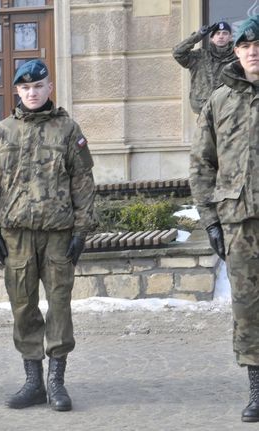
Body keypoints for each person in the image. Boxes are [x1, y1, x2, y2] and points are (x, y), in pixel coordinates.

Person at [0, 59, 97, 411]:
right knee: (23, 307)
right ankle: (33, 381)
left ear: (50, 88)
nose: (32, 93)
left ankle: (56, 382)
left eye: (38, 86)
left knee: (59, 306)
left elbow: (83, 182)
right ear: (17, 91)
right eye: (25, 87)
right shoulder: (3, 131)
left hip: (58, 234)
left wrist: (82, 230)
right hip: (16, 235)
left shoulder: (68, 128)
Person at [189, 15, 259, 423]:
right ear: (235, 51)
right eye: (245, 45)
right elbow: (202, 163)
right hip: (239, 222)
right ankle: (256, 390)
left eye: (258, 44)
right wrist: (210, 221)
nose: (252, 51)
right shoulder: (219, 100)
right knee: (248, 309)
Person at [173, 21, 236, 114]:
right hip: (204, 112)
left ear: (230, 38)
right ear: (211, 39)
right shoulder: (199, 57)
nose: (221, 36)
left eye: (225, 33)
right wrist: (198, 36)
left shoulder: (237, 59)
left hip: (230, 112)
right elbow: (177, 53)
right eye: (217, 33)